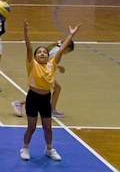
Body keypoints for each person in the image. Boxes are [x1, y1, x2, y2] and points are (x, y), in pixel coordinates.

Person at [20, 20, 80, 161]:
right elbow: (28, 48)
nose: (42, 54)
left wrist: (71, 35)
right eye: (39, 52)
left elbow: (61, 49)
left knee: (47, 127)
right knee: (31, 127)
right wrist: (26, 32)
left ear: (48, 56)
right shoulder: (32, 65)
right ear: (35, 56)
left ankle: (49, 149)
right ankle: (25, 148)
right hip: (33, 98)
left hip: (45, 98)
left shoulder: (52, 64)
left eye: (44, 52)